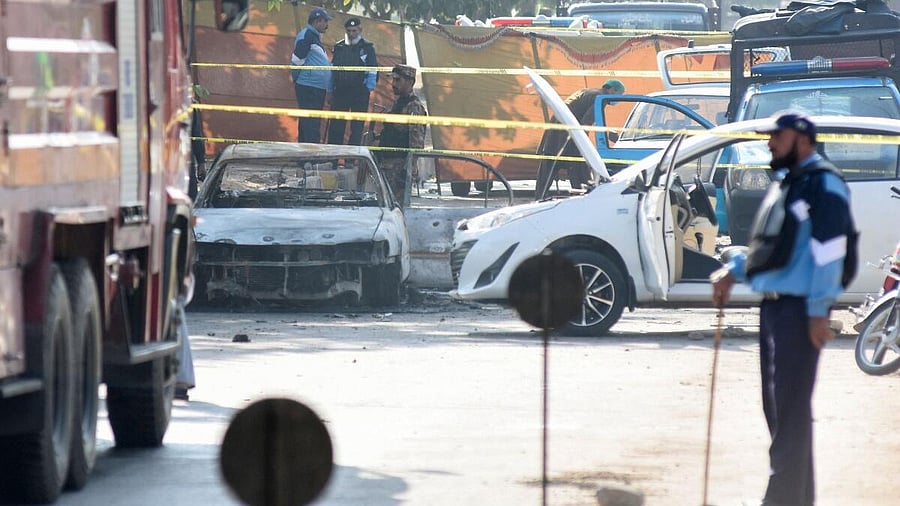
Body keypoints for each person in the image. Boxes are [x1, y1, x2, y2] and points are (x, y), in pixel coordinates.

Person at [710, 112, 856, 506]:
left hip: (799, 312)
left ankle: (780, 500)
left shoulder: (823, 185)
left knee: (789, 412)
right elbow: (771, 248)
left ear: (803, 140)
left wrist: (819, 310)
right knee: (780, 412)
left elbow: (830, 252)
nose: (770, 144)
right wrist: (733, 272)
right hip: (776, 309)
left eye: (778, 136)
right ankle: (798, 499)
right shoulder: (790, 182)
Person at [535, 79, 626, 196]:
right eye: (620, 94)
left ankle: (538, 198)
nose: (619, 99)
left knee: (546, 173)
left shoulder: (586, 92)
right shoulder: (600, 98)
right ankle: (584, 199)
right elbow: (586, 122)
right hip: (569, 138)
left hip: (554, 134)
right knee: (580, 173)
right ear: (612, 90)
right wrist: (585, 146)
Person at [376, 64, 427, 206]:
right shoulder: (398, 104)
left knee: (398, 209)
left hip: (399, 169)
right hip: (387, 165)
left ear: (410, 82)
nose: (393, 84)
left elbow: (416, 143)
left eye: (398, 80)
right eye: (393, 80)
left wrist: (408, 170)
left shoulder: (414, 107)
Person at [326, 17, 378, 146]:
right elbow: (333, 70)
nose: (351, 33)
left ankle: (352, 155)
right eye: (349, 31)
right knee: (336, 126)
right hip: (341, 91)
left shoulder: (367, 48)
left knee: (357, 128)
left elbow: (373, 71)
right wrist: (329, 90)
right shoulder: (339, 47)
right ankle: (333, 155)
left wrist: (367, 89)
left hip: (359, 92)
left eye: (354, 30)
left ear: (360, 30)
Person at [291, 7, 333, 143]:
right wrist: (297, 79)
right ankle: (312, 153)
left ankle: (304, 152)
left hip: (315, 86)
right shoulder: (307, 35)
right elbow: (296, 60)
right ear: (317, 21)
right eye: (325, 21)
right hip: (309, 86)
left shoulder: (313, 36)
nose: (327, 25)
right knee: (312, 123)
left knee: (308, 122)